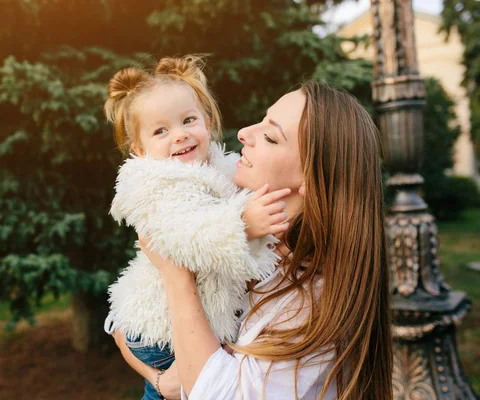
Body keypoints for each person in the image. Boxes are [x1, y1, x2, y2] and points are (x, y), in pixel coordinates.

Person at [113, 80, 393, 400]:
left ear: (314, 179)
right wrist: (155, 374)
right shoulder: (261, 238)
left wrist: (176, 276)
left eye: (271, 136)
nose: (244, 132)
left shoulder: (311, 301)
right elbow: (125, 326)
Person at [103, 55, 290, 400]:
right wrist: (241, 224)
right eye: (161, 130)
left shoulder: (218, 164)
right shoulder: (154, 184)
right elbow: (184, 236)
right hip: (161, 337)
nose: (180, 135)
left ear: (206, 121)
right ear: (139, 149)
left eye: (188, 120)